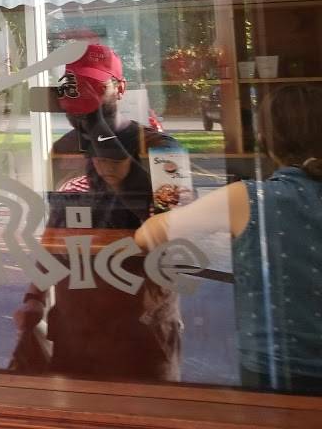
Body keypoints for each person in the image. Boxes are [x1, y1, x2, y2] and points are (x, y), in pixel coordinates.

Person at [135, 84, 322, 395]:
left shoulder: (249, 198)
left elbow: (148, 235)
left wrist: (177, 203)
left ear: (265, 139)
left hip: (274, 368)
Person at [13, 43, 182, 380]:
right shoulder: (63, 149)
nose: (82, 100)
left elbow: (174, 230)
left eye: (93, 87)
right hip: (75, 329)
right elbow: (57, 228)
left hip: (142, 330)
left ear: (120, 88)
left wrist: (118, 166)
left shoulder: (162, 149)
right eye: (73, 89)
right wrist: (35, 295)